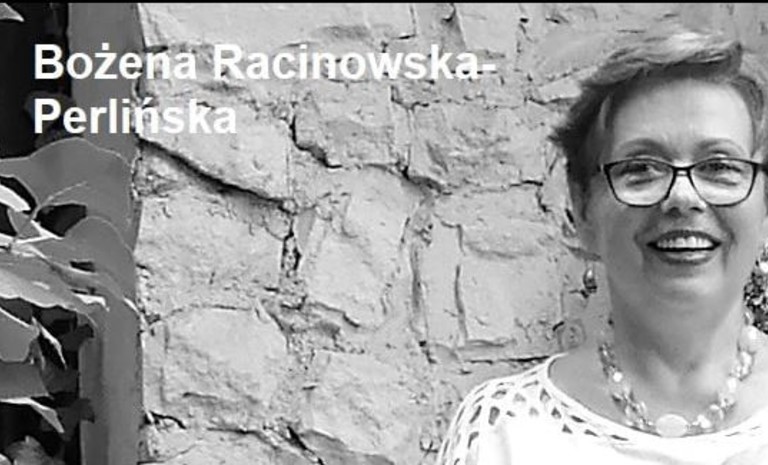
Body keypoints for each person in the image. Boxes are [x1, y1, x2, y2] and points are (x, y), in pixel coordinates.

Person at [435, 26, 768, 465]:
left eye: (719, 167)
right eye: (641, 168)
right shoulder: (504, 436)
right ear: (582, 208)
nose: (683, 197)